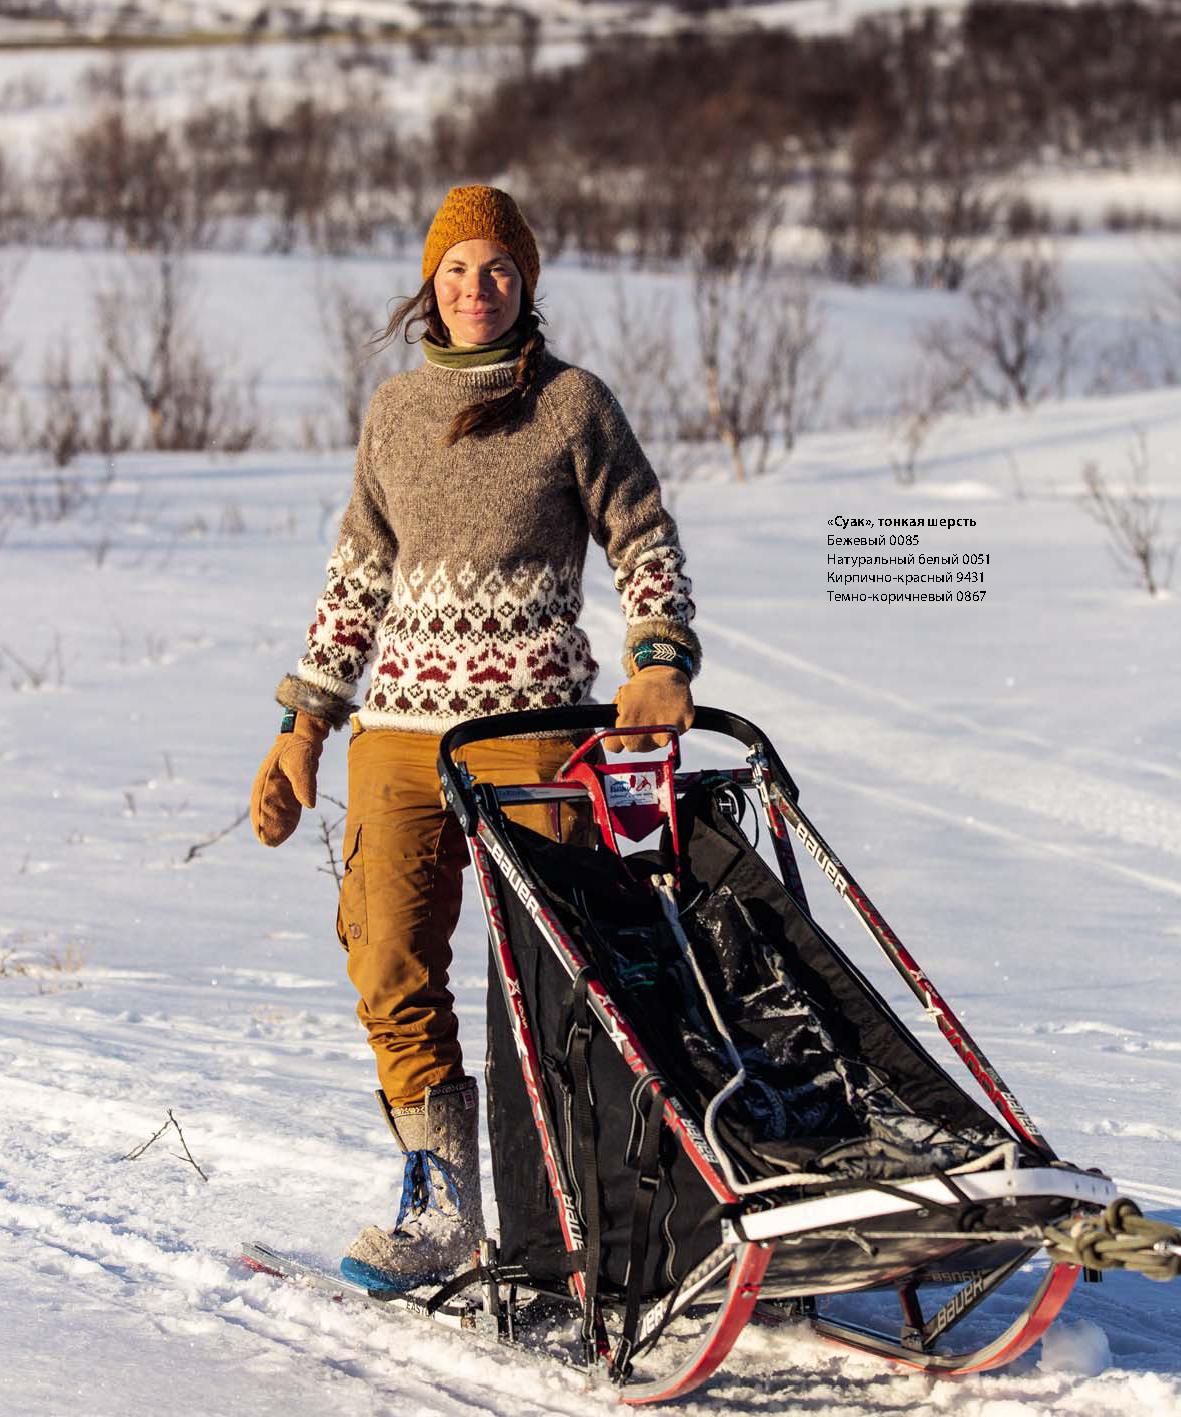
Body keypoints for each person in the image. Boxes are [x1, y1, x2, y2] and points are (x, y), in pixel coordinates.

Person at [249, 185, 700, 1290]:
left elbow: (642, 536)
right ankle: (441, 1202)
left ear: (525, 283)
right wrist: (304, 723)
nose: (477, 288)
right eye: (457, 270)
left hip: (531, 730)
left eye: (497, 269)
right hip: (398, 732)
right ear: (429, 285)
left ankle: (590, 1215)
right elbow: (357, 573)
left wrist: (657, 657)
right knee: (385, 950)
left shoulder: (572, 404)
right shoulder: (394, 412)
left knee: (553, 970)